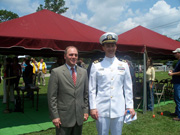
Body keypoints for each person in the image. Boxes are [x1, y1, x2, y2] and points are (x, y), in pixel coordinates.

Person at [89, 32, 135, 135]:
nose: (111, 48)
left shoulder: (123, 64)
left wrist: (129, 106)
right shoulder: (96, 65)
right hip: (101, 109)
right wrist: (93, 107)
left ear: (116, 47)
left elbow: (128, 87)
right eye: (108, 46)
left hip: (118, 108)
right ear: (103, 48)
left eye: (112, 45)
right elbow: (91, 88)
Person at [47, 46, 89, 135]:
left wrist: (85, 111)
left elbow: (86, 94)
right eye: (71, 55)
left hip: (79, 117)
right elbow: (52, 97)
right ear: (65, 56)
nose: (73, 57)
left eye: (76, 55)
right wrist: (55, 116)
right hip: (63, 118)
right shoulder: (56, 72)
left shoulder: (83, 72)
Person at [168, 48, 180, 121]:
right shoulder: (178, 61)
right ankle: (177, 112)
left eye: (176, 53)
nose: (174, 54)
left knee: (178, 98)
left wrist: (173, 73)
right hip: (176, 82)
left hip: (179, 83)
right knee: (176, 98)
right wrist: (173, 71)